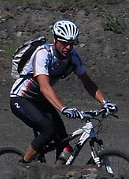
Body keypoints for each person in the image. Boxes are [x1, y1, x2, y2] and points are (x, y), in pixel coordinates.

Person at [9, 19, 117, 164]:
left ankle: (58, 176)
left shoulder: (73, 57)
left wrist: (105, 102)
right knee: (48, 130)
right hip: (21, 98)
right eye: (64, 43)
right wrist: (64, 108)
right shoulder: (43, 53)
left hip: (41, 100)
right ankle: (22, 166)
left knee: (64, 142)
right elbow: (44, 86)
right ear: (55, 40)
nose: (68, 47)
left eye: (71, 44)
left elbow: (87, 82)